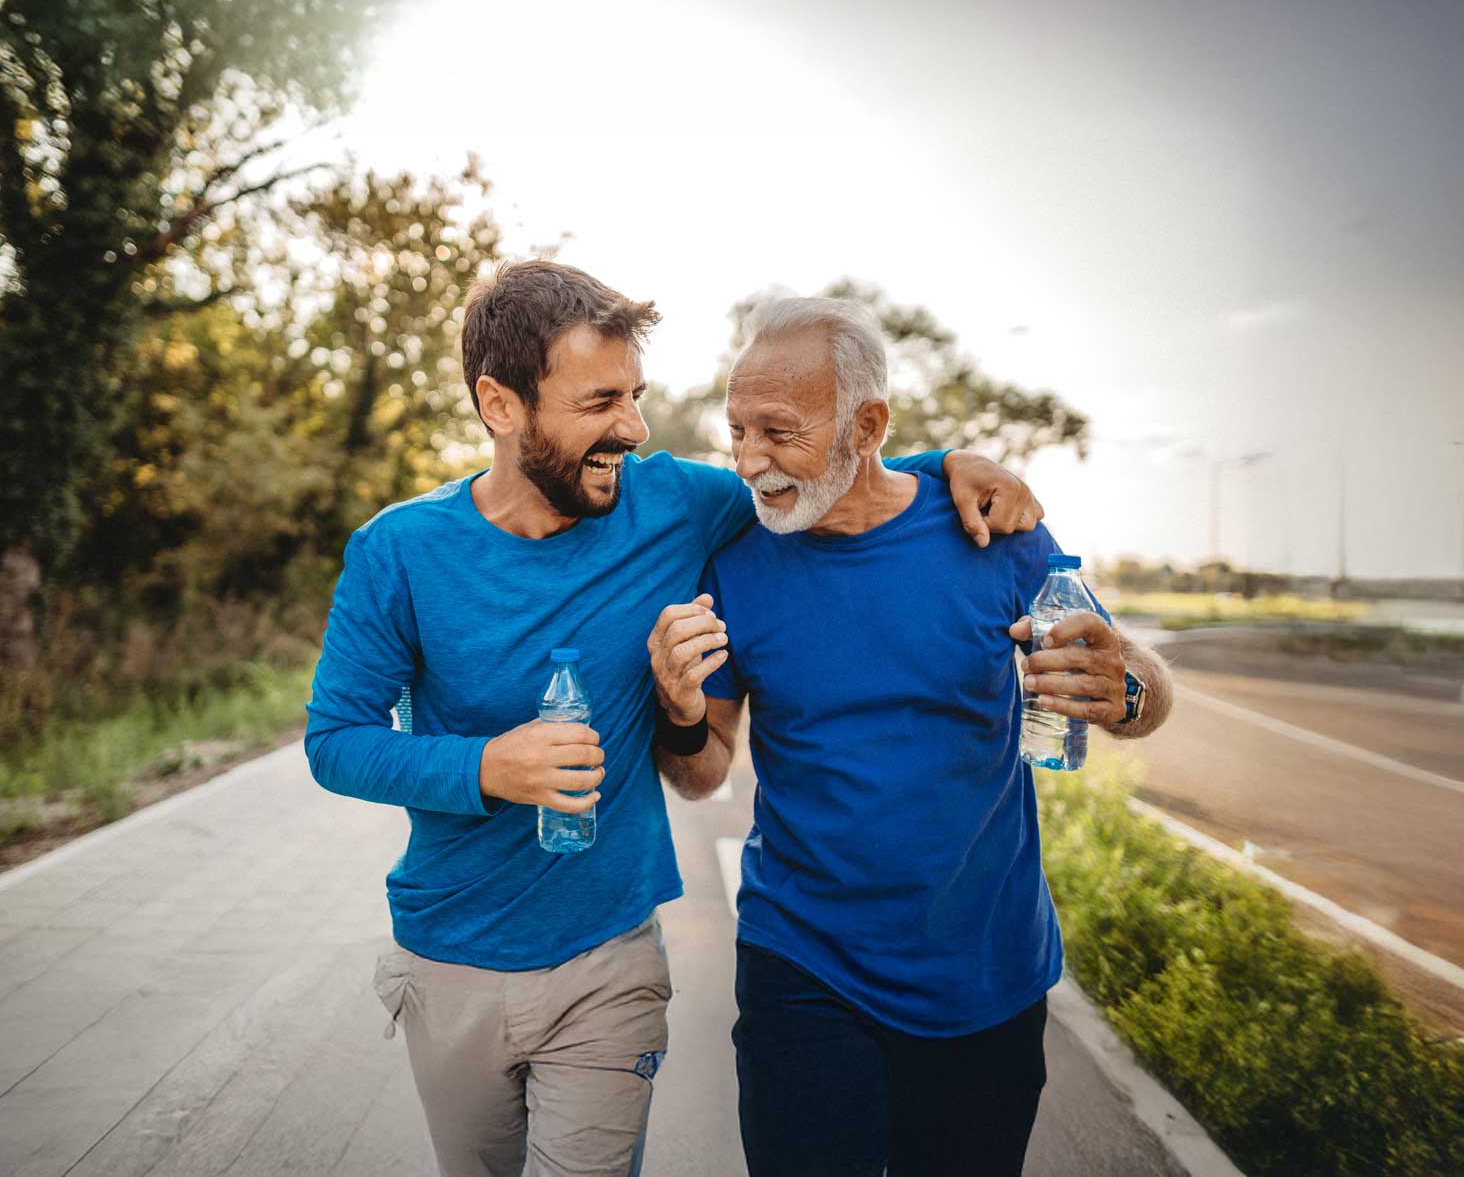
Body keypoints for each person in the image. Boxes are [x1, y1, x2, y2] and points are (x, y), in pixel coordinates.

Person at [303, 262, 1044, 1177]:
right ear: (500, 406)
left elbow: (834, 473)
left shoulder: (678, 504)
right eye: (601, 400)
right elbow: (336, 742)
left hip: (609, 955)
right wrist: (486, 768)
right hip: (448, 952)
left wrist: (948, 466)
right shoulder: (399, 551)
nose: (634, 428)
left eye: (637, 396)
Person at [646, 296, 1173, 1177]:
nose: (747, 461)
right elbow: (703, 776)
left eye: (777, 431)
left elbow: (1138, 688)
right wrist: (679, 710)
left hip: (987, 970)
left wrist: (1125, 690)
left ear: (869, 424)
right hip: (801, 965)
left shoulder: (994, 532)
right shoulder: (735, 562)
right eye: (735, 431)